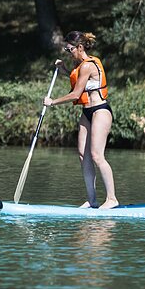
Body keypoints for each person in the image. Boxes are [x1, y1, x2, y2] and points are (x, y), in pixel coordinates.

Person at [43, 30, 119, 209]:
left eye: (70, 50)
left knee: (96, 155)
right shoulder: (80, 67)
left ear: (79, 47)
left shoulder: (88, 65)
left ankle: (112, 199)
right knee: (83, 155)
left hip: (100, 111)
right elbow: (80, 82)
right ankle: (92, 201)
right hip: (87, 112)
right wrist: (64, 71)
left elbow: (76, 93)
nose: (69, 54)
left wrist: (52, 102)